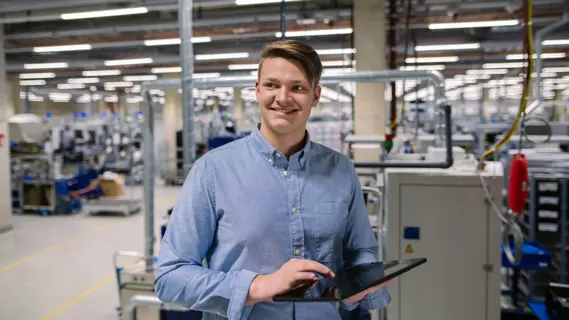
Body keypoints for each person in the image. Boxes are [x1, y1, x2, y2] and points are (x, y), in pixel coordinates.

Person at [155, 39, 391, 320]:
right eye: (272, 85)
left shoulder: (341, 170)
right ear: (257, 90)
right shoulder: (213, 171)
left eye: (297, 87)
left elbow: (361, 250)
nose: (283, 97)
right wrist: (256, 286)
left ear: (315, 97)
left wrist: (361, 284)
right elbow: (170, 277)